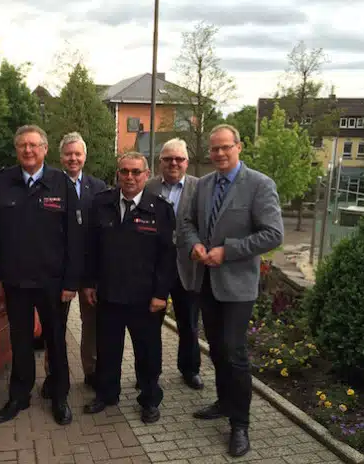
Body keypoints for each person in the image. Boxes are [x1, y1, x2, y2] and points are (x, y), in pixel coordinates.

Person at [179, 124, 284, 457]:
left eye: (226, 147)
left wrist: (228, 250)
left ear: (239, 147)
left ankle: (240, 424)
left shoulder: (259, 185)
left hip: (238, 286)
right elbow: (188, 223)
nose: (220, 154)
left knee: (235, 353)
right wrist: (195, 244)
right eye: (214, 149)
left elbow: (273, 234)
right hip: (206, 282)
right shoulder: (204, 185)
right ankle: (224, 403)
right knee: (217, 349)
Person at [0, 124, 82, 426]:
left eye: (34, 145)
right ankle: (19, 395)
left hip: (52, 283)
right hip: (15, 282)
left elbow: (74, 239)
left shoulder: (61, 184)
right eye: (23, 145)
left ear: (45, 149)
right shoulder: (2, 183)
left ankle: (60, 396)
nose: (28, 150)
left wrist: (70, 282)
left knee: (56, 341)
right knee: (21, 340)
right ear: (17, 149)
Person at [83, 152, 177, 424]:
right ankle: (106, 394)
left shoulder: (160, 209)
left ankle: (149, 399)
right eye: (124, 171)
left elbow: (167, 257)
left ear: (147, 175)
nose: (130, 177)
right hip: (109, 295)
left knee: (148, 354)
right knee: (108, 350)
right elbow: (91, 249)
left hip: (145, 299)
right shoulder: (101, 204)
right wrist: (89, 283)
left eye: (136, 172)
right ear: (118, 174)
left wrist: (161, 294)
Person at [41, 132, 107, 398]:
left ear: (85, 156)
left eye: (78, 154)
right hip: (58, 272)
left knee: (91, 325)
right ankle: (53, 375)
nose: (73, 158)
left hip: (89, 272)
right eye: (68, 154)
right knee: (55, 326)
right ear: (61, 156)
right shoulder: (50, 185)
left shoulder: (98, 187)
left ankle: (91, 372)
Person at [145, 138, 203, 390]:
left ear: (187, 162)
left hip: (187, 267)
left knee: (188, 323)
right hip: (155, 268)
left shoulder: (200, 189)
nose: (173, 163)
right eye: (168, 159)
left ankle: (190, 369)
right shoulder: (147, 187)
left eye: (179, 159)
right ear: (160, 162)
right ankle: (149, 372)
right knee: (149, 325)